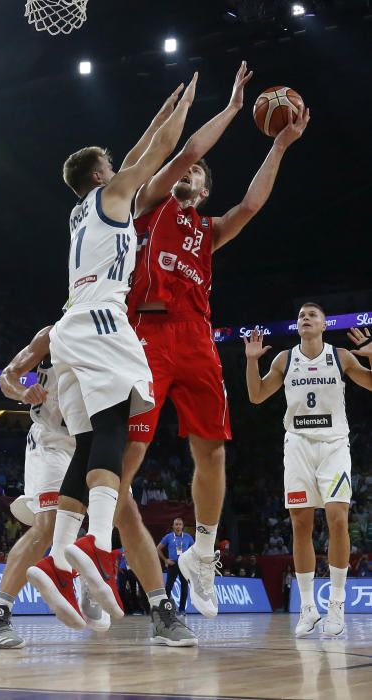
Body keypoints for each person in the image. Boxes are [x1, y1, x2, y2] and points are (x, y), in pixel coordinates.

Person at [119, 61, 310, 618]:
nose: (191, 171)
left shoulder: (210, 230)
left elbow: (250, 205)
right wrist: (230, 107)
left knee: (213, 450)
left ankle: (201, 555)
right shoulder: (150, 206)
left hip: (197, 340)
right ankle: (92, 542)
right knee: (128, 456)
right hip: (147, 333)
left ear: (205, 189)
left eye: (200, 172)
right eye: (188, 166)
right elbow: (179, 152)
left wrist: (281, 144)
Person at [27, 78, 199, 647]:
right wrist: (184, 109)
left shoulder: (86, 211)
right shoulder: (112, 195)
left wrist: (163, 111)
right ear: (102, 176)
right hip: (101, 318)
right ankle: (97, 547)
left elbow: (139, 152)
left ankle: (56, 561)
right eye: (112, 163)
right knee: (113, 432)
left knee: (90, 441)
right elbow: (156, 152)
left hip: (71, 325)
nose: (120, 166)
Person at [244, 303, 372, 637]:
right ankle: (307, 607)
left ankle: (337, 605)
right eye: (301, 315)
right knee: (300, 524)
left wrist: (371, 355)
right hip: (298, 445)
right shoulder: (284, 359)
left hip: (333, 445)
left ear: (324, 324)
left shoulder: (341, 356)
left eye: (311, 315)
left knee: (338, 518)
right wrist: (251, 361)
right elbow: (256, 396)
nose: (305, 318)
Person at [0, 327, 107, 648]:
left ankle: (91, 581)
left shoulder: (114, 338)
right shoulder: (53, 335)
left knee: (108, 517)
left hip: (90, 443)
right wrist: (23, 392)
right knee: (46, 526)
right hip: (50, 442)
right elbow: (7, 376)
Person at [157, 518, 194, 614]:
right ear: (173, 526)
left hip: (184, 565)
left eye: (180, 524)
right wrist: (165, 560)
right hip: (173, 564)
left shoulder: (188, 537)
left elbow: (194, 551)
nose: (178, 526)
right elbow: (158, 548)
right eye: (176, 524)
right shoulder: (168, 537)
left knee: (184, 587)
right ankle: (167, 609)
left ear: (182, 526)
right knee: (168, 587)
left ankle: (182, 610)